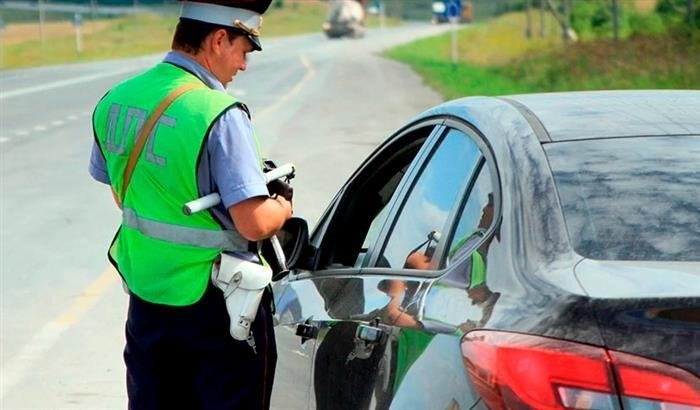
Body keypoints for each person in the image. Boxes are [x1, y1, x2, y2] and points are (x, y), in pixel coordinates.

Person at [88, 0, 292, 408]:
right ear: (219, 39)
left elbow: (122, 194)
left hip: (147, 299)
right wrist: (283, 205)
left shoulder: (117, 98)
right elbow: (252, 222)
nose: (243, 65)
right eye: (243, 50)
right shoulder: (218, 113)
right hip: (215, 306)